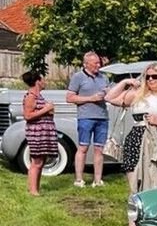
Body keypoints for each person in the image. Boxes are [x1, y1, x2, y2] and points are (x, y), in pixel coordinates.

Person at [106, 66, 157, 192]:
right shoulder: (138, 96)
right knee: (135, 182)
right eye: (147, 77)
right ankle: (137, 208)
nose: (150, 79)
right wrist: (125, 82)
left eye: (155, 76)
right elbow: (109, 98)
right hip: (136, 142)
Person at [66, 49, 112, 187]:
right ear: (86, 64)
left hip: (102, 117)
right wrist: (90, 98)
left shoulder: (104, 77)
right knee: (83, 147)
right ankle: (79, 179)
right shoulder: (78, 77)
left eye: (99, 63)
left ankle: (98, 180)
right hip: (86, 117)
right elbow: (69, 97)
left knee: (99, 149)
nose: (99, 65)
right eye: (95, 63)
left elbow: (109, 94)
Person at [21, 68, 58, 196]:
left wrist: (49, 111)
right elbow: (28, 115)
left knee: (41, 162)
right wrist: (46, 109)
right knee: (36, 162)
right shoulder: (30, 96)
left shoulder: (38, 96)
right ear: (37, 81)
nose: (44, 81)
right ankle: (33, 191)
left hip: (44, 132)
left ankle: (36, 188)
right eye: (43, 79)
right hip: (36, 134)